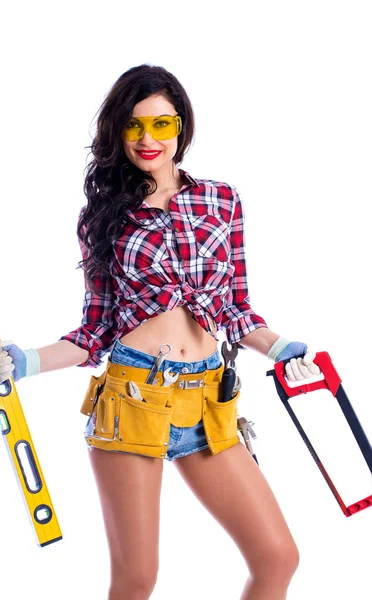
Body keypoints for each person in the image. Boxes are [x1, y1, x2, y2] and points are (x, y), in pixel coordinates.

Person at [0, 64, 321, 600]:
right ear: (117, 132)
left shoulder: (222, 201)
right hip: (132, 398)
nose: (148, 139)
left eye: (162, 125)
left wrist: (284, 349)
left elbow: (236, 308)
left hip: (208, 400)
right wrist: (23, 360)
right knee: (136, 580)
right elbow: (95, 330)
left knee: (277, 557)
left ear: (181, 128)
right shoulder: (104, 215)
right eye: (133, 126)